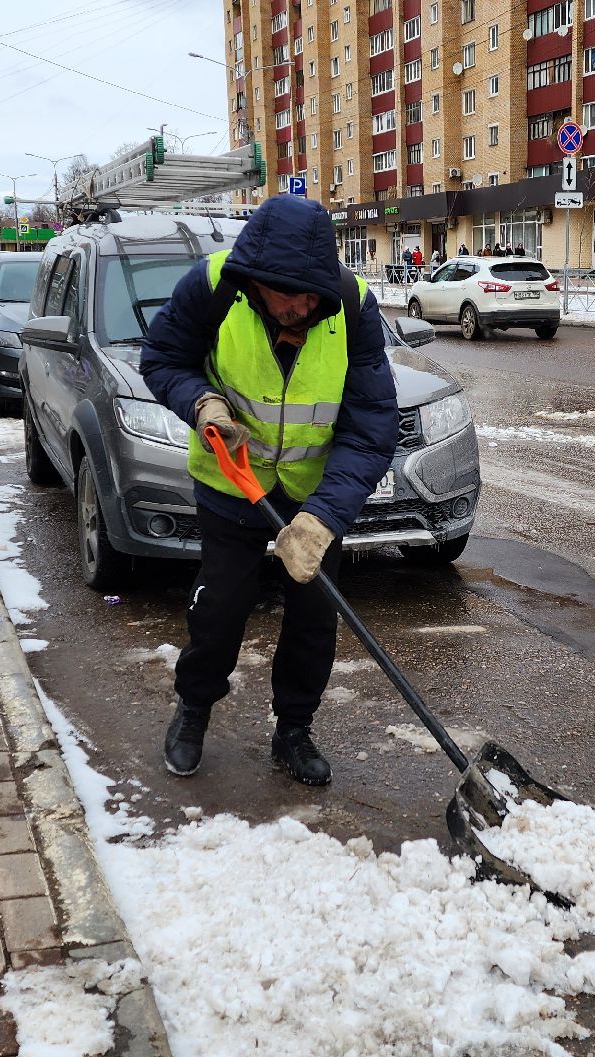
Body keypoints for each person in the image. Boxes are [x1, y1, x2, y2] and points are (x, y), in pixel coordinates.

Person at [139, 195, 398, 787]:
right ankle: (194, 709)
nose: (301, 307)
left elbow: (371, 425)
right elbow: (162, 359)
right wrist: (199, 401)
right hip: (231, 482)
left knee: (314, 618)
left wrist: (324, 518)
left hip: (311, 495)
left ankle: (294, 729)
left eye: (312, 294)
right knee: (221, 608)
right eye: (287, 294)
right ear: (256, 279)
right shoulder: (213, 286)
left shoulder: (350, 307)